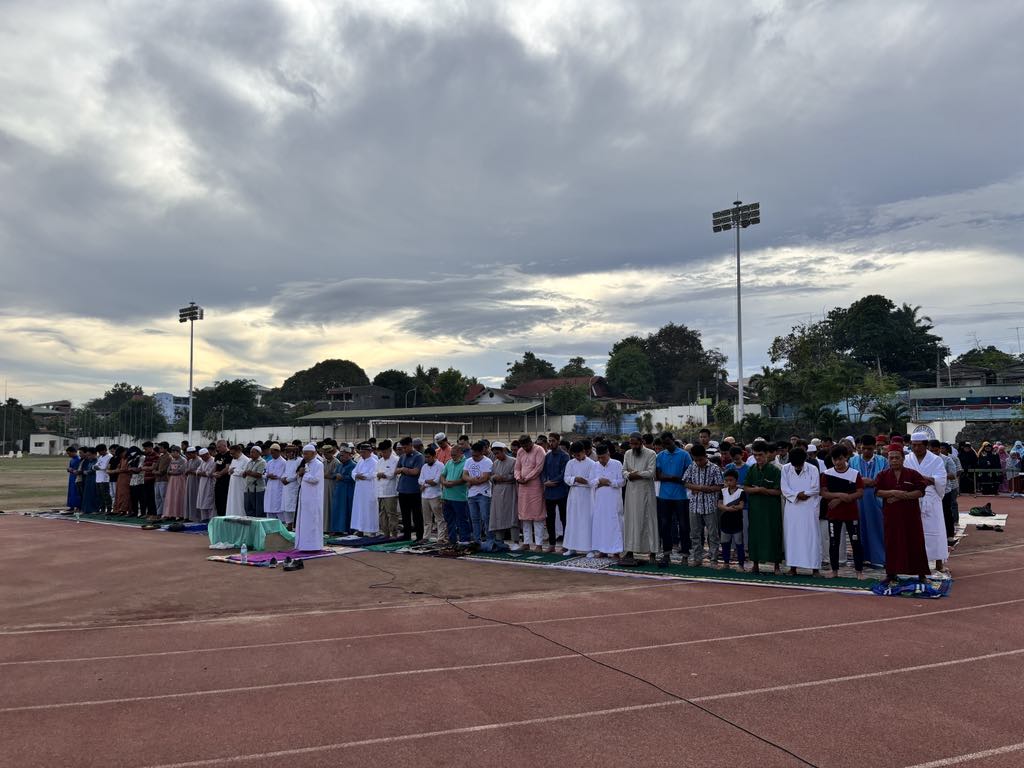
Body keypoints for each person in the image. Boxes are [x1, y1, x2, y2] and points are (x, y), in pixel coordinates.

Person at [875, 447, 930, 583]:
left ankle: (921, 574)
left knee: (915, 542)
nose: (894, 460)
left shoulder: (913, 474)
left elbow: (920, 491)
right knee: (892, 542)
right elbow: (877, 492)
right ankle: (891, 573)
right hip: (891, 516)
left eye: (897, 457)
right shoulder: (882, 475)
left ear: (903, 459)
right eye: (891, 458)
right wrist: (893, 492)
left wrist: (902, 496)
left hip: (910, 516)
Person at [904, 431, 948, 573]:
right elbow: (905, 478)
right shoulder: (907, 459)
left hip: (931, 498)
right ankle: (913, 562)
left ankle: (939, 562)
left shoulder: (936, 460)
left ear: (926, 445)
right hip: (912, 497)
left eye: (919, 445)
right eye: (913, 445)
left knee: (935, 530)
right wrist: (924, 479)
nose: (916, 448)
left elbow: (940, 479)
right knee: (913, 531)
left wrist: (922, 479)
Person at [821, 446, 865, 579]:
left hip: (851, 513)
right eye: (835, 459)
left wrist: (845, 498)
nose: (838, 462)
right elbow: (823, 492)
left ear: (846, 458)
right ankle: (834, 570)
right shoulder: (827, 474)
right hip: (834, 514)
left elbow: (860, 492)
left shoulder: (854, 473)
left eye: (840, 459)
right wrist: (841, 496)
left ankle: (859, 571)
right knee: (834, 542)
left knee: (855, 542)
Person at [781, 447, 821, 577]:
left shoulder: (813, 469)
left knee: (812, 536)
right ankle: (793, 567)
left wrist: (805, 494)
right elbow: (784, 488)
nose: (797, 467)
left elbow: (816, 488)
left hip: (809, 507)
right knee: (792, 536)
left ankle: (815, 569)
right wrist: (797, 495)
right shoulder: (786, 468)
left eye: (799, 464)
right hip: (792, 507)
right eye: (795, 465)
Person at [744, 441, 784, 574]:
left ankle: (776, 565)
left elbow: (778, 491)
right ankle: (755, 564)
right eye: (755, 455)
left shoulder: (775, 470)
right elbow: (746, 487)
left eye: (760, 455)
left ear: (767, 454)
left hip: (771, 510)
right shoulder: (751, 469)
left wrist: (762, 490)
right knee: (755, 535)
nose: (758, 458)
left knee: (773, 535)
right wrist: (756, 490)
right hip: (755, 509)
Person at [620, 432, 658, 567]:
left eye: (636, 443)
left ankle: (652, 552)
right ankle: (630, 550)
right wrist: (630, 474)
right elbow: (623, 471)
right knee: (631, 520)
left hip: (646, 492)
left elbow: (651, 473)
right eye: (632, 444)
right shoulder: (628, 454)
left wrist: (636, 474)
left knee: (648, 521)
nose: (634, 446)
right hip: (631, 492)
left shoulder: (651, 454)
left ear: (642, 442)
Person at [849, 435, 888, 568]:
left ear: (875, 448)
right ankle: (862, 558)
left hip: (877, 500)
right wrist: (861, 481)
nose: (866, 451)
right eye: (863, 448)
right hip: (858, 500)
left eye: (869, 449)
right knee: (858, 529)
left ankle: (878, 558)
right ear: (860, 447)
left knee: (877, 528)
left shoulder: (883, 461)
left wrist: (874, 482)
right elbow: (847, 479)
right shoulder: (852, 461)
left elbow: (887, 479)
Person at [683, 444, 723, 567]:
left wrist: (708, 489)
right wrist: (699, 487)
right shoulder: (692, 467)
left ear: (705, 456)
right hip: (695, 505)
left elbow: (720, 486)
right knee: (695, 534)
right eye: (696, 459)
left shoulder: (714, 468)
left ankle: (714, 559)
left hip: (710, 505)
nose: (698, 462)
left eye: (700, 459)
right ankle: (697, 558)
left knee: (713, 534)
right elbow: (685, 482)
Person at [655, 431, 691, 566]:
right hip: (664, 496)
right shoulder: (660, 456)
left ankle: (685, 555)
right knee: (665, 525)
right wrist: (674, 478)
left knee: (683, 525)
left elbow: (687, 476)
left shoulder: (684, 455)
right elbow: (658, 476)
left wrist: (669, 477)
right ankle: (666, 554)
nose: (666, 445)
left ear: (673, 440)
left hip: (681, 496)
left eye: (668, 442)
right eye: (664, 443)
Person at [562, 441, 597, 557]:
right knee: (573, 520)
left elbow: (594, 481)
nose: (576, 457)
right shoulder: (570, 463)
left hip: (587, 495)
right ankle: (571, 547)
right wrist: (575, 479)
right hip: (574, 494)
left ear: (584, 452)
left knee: (586, 521)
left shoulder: (592, 464)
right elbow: (566, 478)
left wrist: (585, 481)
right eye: (574, 455)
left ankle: (589, 549)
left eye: (578, 455)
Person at [513, 435, 547, 552]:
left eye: (527, 445)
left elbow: (538, 468)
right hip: (522, 487)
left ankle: (539, 544)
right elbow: (517, 467)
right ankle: (526, 542)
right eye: (523, 446)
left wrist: (527, 478)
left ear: (531, 442)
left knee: (538, 516)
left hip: (535, 486)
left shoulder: (539, 450)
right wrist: (518, 478)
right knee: (524, 516)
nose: (525, 448)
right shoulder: (520, 451)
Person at [590, 444, 625, 557]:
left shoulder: (617, 464)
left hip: (613, 500)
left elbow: (622, 482)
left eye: (603, 457)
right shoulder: (595, 465)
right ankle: (602, 550)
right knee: (601, 525)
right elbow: (590, 482)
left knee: (614, 524)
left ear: (608, 454)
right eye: (599, 458)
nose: (601, 460)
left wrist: (609, 482)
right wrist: (599, 481)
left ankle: (616, 550)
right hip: (600, 501)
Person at [463, 440, 495, 547]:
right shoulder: (468, 461)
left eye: (476, 456)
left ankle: (490, 539)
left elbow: (485, 478)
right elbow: (464, 476)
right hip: (471, 494)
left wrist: (471, 481)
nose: (474, 457)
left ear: (482, 452)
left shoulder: (488, 462)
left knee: (486, 517)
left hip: (484, 493)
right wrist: (474, 480)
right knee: (474, 518)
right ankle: (477, 540)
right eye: (473, 455)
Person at [542, 433, 570, 551]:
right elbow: (543, 472)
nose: (551, 443)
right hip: (549, 492)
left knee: (564, 518)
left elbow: (564, 474)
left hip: (561, 491)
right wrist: (545, 481)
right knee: (550, 519)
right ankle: (552, 544)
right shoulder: (547, 456)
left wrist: (552, 482)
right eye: (550, 441)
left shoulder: (565, 456)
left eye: (553, 441)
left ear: (558, 441)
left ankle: (566, 544)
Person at [294, 444, 324, 551]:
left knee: (313, 521)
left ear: (314, 453)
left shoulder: (319, 464)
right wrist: (300, 474)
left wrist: (304, 474)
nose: (305, 456)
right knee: (304, 521)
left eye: (307, 454)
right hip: (304, 497)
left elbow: (315, 479)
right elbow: (299, 480)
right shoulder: (304, 464)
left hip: (314, 498)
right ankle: (303, 545)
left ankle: (314, 546)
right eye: (304, 453)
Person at [395, 437, 425, 542]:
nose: (404, 450)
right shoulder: (402, 457)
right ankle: (406, 535)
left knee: (417, 515)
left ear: (410, 445)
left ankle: (419, 536)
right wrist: (406, 470)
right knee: (405, 514)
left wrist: (403, 469)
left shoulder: (419, 457)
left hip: (414, 490)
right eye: (402, 448)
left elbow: (416, 472)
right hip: (402, 489)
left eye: (405, 447)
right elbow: (396, 470)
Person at [441, 443, 472, 547]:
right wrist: (444, 482)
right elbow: (442, 475)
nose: (452, 456)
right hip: (447, 496)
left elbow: (465, 478)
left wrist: (453, 483)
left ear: (461, 453)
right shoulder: (449, 462)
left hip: (460, 497)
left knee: (462, 519)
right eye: (451, 454)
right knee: (449, 520)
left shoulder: (466, 463)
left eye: (454, 454)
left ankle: (464, 539)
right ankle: (452, 539)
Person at [488, 442, 517, 545]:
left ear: (504, 451)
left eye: (498, 453)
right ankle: (499, 541)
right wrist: (494, 478)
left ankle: (515, 541)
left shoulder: (514, 461)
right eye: (495, 454)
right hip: (497, 492)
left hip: (510, 491)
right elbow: (491, 477)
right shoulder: (495, 463)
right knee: (497, 516)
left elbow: (515, 476)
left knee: (512, 516)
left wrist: (504, 478)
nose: (496, 456)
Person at [718, 469, 746, 570]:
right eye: (726, 480)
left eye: (731, 480)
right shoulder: (722, 491)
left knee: (739, 543)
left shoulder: (741, 492)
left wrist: (735, 508)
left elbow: (742, 505)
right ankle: (726, 563)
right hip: (725, 521)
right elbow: (719, 504)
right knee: (725, 542)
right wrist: (727, 508)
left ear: (736, 480)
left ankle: (741, 564)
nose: (729, 483)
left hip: (737, 521)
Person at [351, 443, 381, 536]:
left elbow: (373, 474)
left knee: (370, 509)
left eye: (364, 452)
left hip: (369, 490)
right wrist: (356, 475)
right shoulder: (360, 461)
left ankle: (372, 530)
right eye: (361, 452)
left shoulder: (374, 462)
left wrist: (361, 475)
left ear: (369, 452)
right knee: (359, 509)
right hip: (359, 490)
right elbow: (353, 472)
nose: (362, 454)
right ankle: (360, 529)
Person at [419, 446, 446, 543]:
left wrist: (425, 483)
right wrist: (427, 482)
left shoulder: (440, 465)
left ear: (434, 456)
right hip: (425, 495)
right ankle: (426, 537)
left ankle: (441, 538)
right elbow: (420, 480)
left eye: (428, 457)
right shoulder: (424, 466)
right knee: (426, 519)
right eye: (425, 457)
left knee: (439, 518)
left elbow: (436, 481)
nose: (426, 459)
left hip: (436, 495)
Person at [934, 441, 959, 541]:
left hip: (946, 490)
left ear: (939, 449)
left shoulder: (947, 459)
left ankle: (949, 535)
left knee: (946, 512)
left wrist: (936, 477)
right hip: (931, 491)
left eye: (936, 450)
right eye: (931, 450)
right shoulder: (926, 460)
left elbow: (953, 474)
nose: (934, 452)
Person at [375, 439, 400, 537]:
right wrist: (380, 474)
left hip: (390, 492)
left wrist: (381, 474)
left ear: (390, 450)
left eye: (384, 452)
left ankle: (394, 533)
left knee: (391, 514)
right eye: (381, 452)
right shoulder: (380, 461)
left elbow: (391, 474)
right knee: (382, 513)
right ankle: (385, 533)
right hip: (380, 491)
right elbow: (374, 473)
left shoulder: (396, 459)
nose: (383, 454)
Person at [330, 445, 356, 535]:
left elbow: (353, 478)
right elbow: (333, 474)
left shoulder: (353, 465)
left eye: (343, 455)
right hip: (338, 491)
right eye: (340, 455)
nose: (341, 457)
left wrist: (343, 477)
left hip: (348, 491)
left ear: (349, 455)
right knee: (337, 509)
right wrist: (335, 476)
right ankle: (337, 529)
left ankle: (349, 530)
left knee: (347, 510)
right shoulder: (340, 465)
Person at [162, 445, 188, 520]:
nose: (172, 454)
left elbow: (180, 471)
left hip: (180, 480)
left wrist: (172, 472)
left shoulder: (183, 460)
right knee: (171, 497)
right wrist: (172, 472)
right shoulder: (172, 460)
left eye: (174, 452)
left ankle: (179, 514)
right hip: (172, 481)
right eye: (172, 452)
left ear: (178, 452)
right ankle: (171, 514)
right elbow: (168, 470)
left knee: (179, 496)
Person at [279, 444, 301, 526]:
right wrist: (283, 478)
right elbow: (285, 472)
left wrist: (287, 480)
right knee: (286, 506)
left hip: (293, 485)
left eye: (289, 452)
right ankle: (289, 524)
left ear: (294, 452)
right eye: (286, 452)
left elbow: (297, 474)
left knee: (293, 506)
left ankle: (295, 524)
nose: (287, 454)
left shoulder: (299, 460)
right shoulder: (287, 461)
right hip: (286, 486)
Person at [263, 444, 286, 523]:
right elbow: (265, 474)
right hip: (270, 487)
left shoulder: (284, 462)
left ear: (278, 452)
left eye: (273, 453)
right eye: (271, 453)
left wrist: (275, 476)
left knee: (278, 507)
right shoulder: (269, 462)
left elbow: (283, 474)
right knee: (269, 507)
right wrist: (268, 475)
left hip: (279, 486)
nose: (272, 455)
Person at [242, 445, 267, 517]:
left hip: (258, 489)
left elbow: (260, 474)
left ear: (259, 453)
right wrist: (245, 473)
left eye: (253, 452)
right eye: (250, 452)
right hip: (248, 488)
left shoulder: (262, 462)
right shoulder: (249, 462)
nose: (251, 454)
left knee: (259, 509)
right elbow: (245, 473)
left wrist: (249, 473)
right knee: (248, 508)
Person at [321, 445, 340, 530]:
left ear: (331, 453)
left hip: (333, 487)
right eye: (324, 453)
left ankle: (333, 528)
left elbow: (337, 475)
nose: (325, 455)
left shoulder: (336, 462)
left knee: (332, 507)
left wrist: (328, 476)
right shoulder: (323, 462)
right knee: (325, 507)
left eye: (327, 453)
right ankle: (325, 527)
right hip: (324, 487)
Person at [195, 448, 217, 522]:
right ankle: (204, 519)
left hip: (210, 484)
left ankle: (211, 520)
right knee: (202, 502)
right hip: (202, 484)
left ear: (207, 454)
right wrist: (203, 473)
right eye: (201, 457)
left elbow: (210, 473)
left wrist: (203, 473)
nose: (202, 458)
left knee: (210, 503)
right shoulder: (203, 462)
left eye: (203, 456)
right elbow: (197, 471)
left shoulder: (213, 461)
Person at [212, 440, 232, 516]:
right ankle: (219, 515)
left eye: (219, 447)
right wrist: (214, 473)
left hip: (226, 481)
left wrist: (220, 474)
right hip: (218, 481)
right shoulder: (218, 455)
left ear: (224, 446)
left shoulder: (229, 455)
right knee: (218, 500)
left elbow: (227, 468)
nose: (218, 449)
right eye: (217, 447)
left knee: (225, 500)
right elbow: (215, 466)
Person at [225, 445, 247, 516]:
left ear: (239, 451)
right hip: (232, 485)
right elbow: (229, 470)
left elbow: (244, 472)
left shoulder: (246, 460)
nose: (232, 455)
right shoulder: (233, 459)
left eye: (233, 453)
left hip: (240, 485)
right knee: (232, 501)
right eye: (231, 453)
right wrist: (231, 471)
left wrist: (233, 471)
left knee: (240, 502)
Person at [184, 446, 202, 522]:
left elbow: (200, 472)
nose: (189, 456)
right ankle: (188, 516)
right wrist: (187, 472)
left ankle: (195, 517)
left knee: (194, 498)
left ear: (194, 453)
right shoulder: (190, 461)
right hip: (189, 480)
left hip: (196, 481)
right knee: (189, 498)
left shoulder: (199, 460)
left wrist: (191, 471)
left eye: (190, 454)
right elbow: (186, 470)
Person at [153, 442, 171, 518]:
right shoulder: (161, 457)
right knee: (157, 497)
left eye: (161, 448)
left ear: (165, 448)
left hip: (164, 479)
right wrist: (156, 471)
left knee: (163, 497)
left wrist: (155, 472)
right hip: (157, 480)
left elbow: (163, 471)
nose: (159, 449)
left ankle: (164, 513)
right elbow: (155, 467)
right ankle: (159, 513)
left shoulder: (169, 457)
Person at [79, 447, 98, 515]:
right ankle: (85, 509)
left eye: (89, 455)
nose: (88, 457)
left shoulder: (97, 461)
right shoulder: (90, 462)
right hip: (88, 479)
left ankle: (94, 509)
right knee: (86, 494)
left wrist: (87, 472)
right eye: (87, 455)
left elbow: (95, 470)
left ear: (94, 454)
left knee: (93, 494)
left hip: (94, 479)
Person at [94, 444, 112, 515]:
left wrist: (98, 467)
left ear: (105, 450)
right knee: (99, 495)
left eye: (100, 451)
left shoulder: (109, 457)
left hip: (105, 479)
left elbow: (105, 467)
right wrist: (97, 467)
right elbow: (95, 466)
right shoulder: (100, 457)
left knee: (106, 495)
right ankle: (102, 509)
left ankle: (109, 509)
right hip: (98, 478)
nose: (99, 453)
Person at [65, 446, 82, 512]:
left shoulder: (78, 459)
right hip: (71, 477)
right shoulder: (72, 460)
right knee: (71, 492)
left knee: (76, 492)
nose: (68, 455)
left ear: (74, 452)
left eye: (69, 453)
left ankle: (77, 506)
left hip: (76, 477)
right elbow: (70, 468)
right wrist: (69, 469)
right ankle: (71, 506)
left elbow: (78, 469)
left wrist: (72, 470)